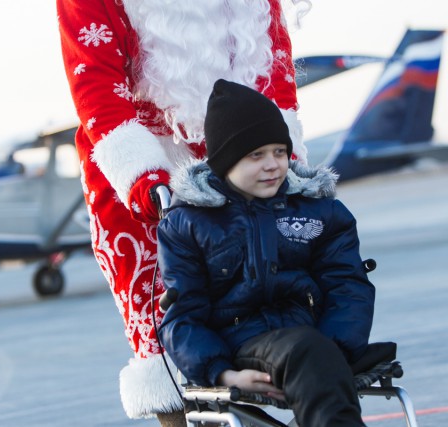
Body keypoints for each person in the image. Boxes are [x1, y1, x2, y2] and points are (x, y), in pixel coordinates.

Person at [56, 0, 311, 423]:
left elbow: (275, 69)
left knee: (259, 312)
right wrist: (144, 178)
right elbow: (96, 86)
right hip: (143, 176)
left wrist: (287, 159)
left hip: (246, 168)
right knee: (169, 346)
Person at [157, 79, 376, 427]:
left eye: (279, 151)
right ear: (224, 162)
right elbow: (183, 317)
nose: (272, 164)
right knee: (306, 350)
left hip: (315, 341)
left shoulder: (320, 212)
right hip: (239, 344)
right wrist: (222, 373)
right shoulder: (189, 225)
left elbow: (348, 286)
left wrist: (335, 349)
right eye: (255, 155)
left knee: (309, 349)